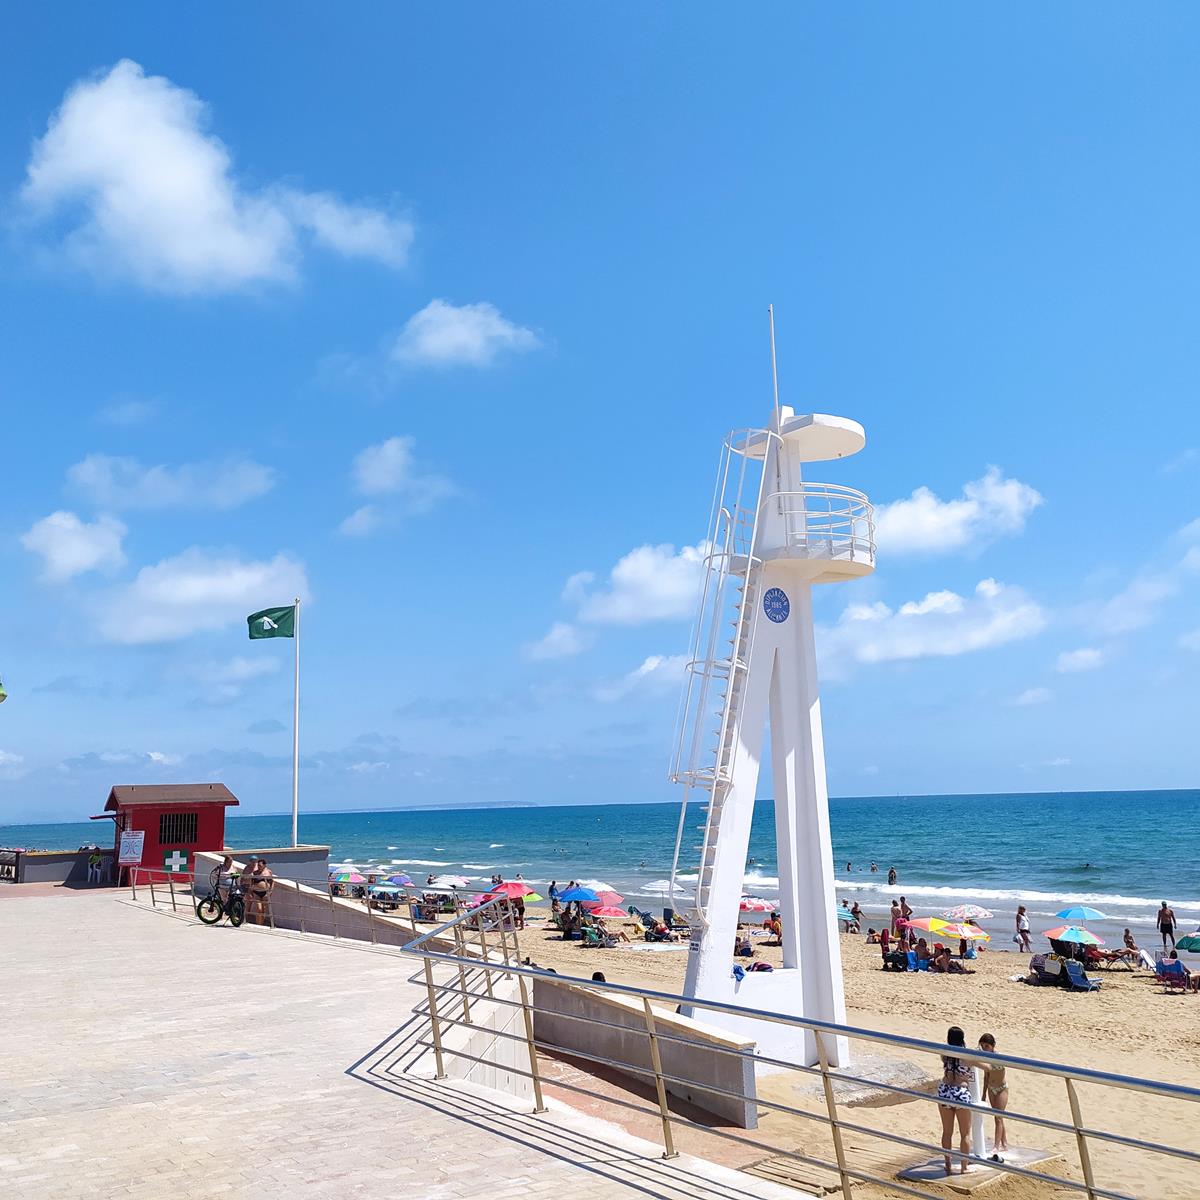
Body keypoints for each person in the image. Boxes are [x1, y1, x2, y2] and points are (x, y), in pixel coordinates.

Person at [937, 1026, 974, 1176]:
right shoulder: (966, 1056)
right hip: (961, 1092)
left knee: (947, 1132)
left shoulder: (944, 1054)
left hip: (945, 1091)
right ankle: (964, 1167)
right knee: (965, 1133)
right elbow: (986, 1066)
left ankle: (948, 1164)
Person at [978, 1033, 1008, 1155]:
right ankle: (1004, 1143)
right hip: (991, 1088)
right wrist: (984, 1093)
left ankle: (996, 1146)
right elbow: (986, 1076)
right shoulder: (986, 1058)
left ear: (992, 1046)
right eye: (982, 1046)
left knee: (998, 1118)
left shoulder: (998, 1057)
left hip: (1001, 1089)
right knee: (997, 1117)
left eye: (986, 1046)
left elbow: (990, 1068)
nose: (984, 1049)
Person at [245, 857, 274, 926]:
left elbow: (272, 882)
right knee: (259, 908)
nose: (259, 867)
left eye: (260, 865)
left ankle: (261, 923)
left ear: (264, 865)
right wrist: (250, 892)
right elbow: (250, 883)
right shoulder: (255, 873)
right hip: (256, 892)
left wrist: (270, 892)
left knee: (263, 909)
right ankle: (258, 923)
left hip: (265, 893)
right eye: (258, 865)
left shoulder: (268, 872)